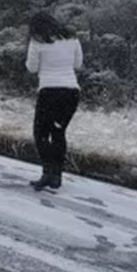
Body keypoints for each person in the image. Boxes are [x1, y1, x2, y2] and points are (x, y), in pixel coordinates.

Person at [25, 12, 83, 192]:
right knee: (58, 132)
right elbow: (78, 64)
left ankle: (47, 173)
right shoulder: (72, 38)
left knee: (41, 133)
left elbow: (32, 68)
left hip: (49, 91)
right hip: (71, 92)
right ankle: (57, 176)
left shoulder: (38, 41)